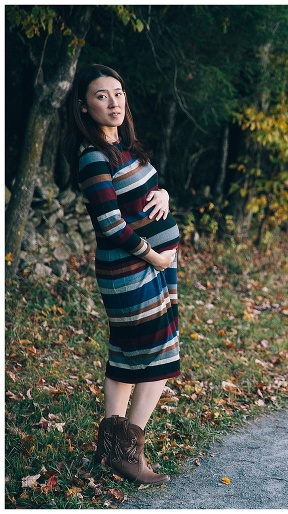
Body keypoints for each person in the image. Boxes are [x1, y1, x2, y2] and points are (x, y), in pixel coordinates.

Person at [64, 64, 180, 485]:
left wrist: (164, 192)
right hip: (133, 270)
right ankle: (129, 455)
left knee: (124, 358)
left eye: (118, 92)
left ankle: (112, 449)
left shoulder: (124, 147)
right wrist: (155, 256)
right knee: (158, 359)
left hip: (148, 269)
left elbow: (145, 195)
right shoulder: (93, 156)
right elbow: (111, 225)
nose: (113, 102)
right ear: (84, 106)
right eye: (101, 96)